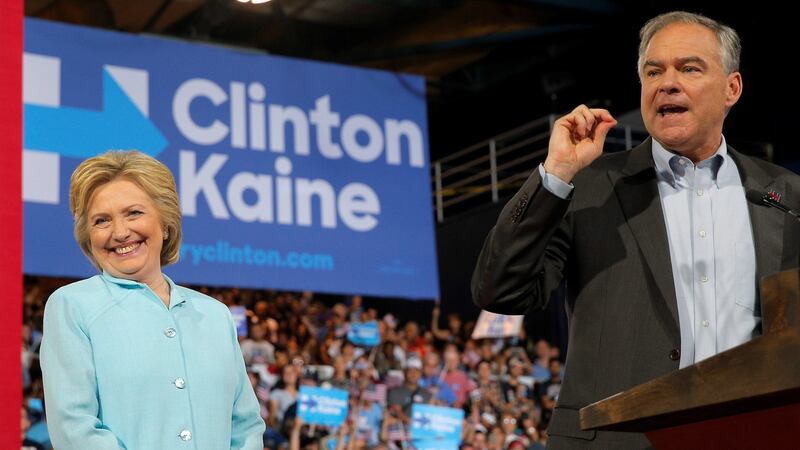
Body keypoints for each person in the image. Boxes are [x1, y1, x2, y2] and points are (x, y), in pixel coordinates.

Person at [472, 11, 800, 449]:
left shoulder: (785, 196)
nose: (666, 82)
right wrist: (555, 175)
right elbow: (500, 290)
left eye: (689, 68)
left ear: (731, 88)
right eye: (653, 71)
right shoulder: (589, 186)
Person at [40, 150, 265, 449]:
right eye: (102, 221)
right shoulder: (71, 306)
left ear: (165, 221)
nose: (120, 232)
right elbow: (75, 429)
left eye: (133, 213)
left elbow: (246, 426)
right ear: (87, 235)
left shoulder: (215, 315)